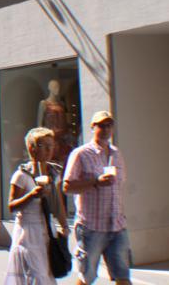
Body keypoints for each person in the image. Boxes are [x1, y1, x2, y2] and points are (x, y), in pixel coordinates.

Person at [64, 111, 131, 285]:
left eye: (109, 125)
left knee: (123, 276)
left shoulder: (116, 153)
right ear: (93, 127)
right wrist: (95, 182)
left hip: (117, 225)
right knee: (87, 277)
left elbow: (119, 185)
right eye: (101, 125)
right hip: (92, 227)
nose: (106, 129)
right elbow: (67, 187)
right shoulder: (81, 154)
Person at [4, 127, 69, 284]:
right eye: (43, 145)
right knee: (36, 274)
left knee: (46, 274)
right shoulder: (22, 175)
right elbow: (12, 206)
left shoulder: (53, 173)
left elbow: (58, 202)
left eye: (51, 145)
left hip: (47, 229)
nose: (48, 150)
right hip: (28, 231)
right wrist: (32, 195)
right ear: (32, 148)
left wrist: (64, 225)